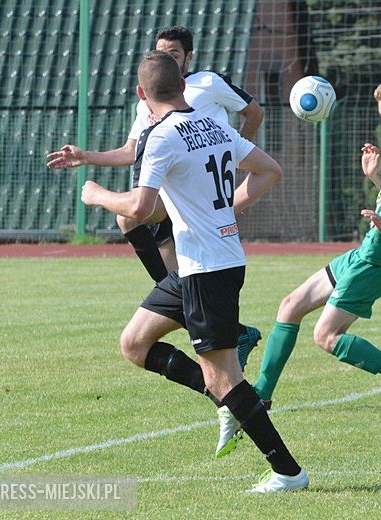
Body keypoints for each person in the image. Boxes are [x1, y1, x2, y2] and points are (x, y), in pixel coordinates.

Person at [80, 50, 308, 493]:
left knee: (223, 373)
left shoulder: (161, 136)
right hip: (202, 264)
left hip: (207, 269)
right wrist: (227, 209)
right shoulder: (216, 125)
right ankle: (230, 402)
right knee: (134, 343)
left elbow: (141, 209)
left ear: (142, 95)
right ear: (184, 86)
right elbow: (269, 170)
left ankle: (287, 471)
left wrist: (96, 195)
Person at [216, 74, 381, 452]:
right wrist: (376, 176)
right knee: (290, 305)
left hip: (380, 260)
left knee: (325, 337)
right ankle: (261, 396)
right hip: (366, 252)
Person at [47, 25, 263, 371]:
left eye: (174, 53)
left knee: (132, 215)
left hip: (193, 188)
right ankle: (222, 326)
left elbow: (254, 113)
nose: (166, 58)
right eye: (161, 52)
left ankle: (206, 321)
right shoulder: (148, 100)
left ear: (188, 57)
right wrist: (86, 156)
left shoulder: (207, 82)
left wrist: (234, 155)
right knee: (153, 245)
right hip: (169, 187)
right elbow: (131, 150)